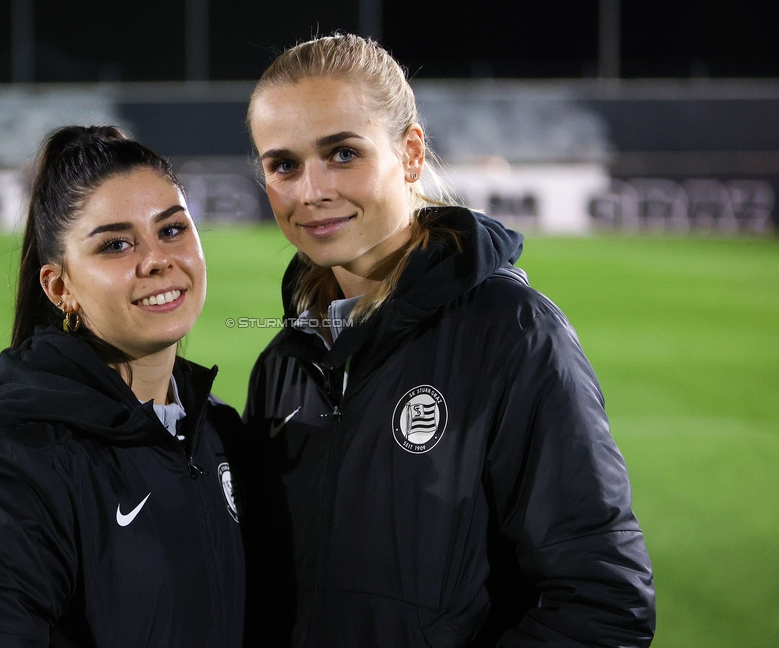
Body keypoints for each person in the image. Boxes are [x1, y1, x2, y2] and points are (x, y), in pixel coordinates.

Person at [238, 34, 656, 646]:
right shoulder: (282, 366)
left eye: (343, 153)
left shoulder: (512, 332)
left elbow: (603, 605)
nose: (311, 191)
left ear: (409, 154)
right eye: (284, 164)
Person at [0, 126, 245, 647]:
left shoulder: (220, 430)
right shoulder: (13, 460)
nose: (157, 258)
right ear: (60, 287)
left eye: (173, 229)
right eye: (115, 244)